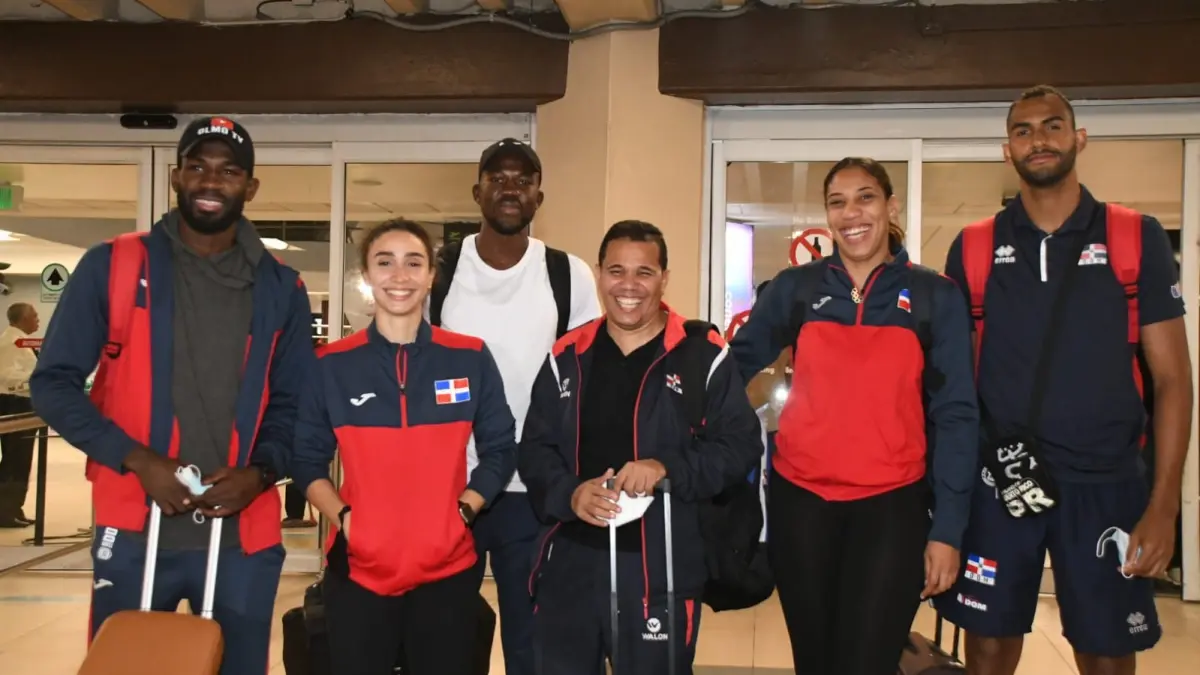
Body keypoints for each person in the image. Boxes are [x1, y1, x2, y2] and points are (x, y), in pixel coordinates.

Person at [30, 116, 314, 675]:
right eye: (198, 167)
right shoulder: (112, 265)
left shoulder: (281, 286)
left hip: (244, 534)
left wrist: (259, 474)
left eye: (229, 171)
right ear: (177, 178)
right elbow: (53, 383)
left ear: (250, 187)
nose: (211, 182)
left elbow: (294, 403)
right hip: (135, 524)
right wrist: (138, 460)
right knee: (130, 665)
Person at [932, 85, 1193, 675]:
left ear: (1079, 139)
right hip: (1000, 484)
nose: (1039, 139)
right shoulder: (973, 247)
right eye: (1023, 131)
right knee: (990, 646)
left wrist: (1164, 507)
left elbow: (1174, 379)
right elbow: (951, 386)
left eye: (1053, 126)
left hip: (1106, 486)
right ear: (1007, 150)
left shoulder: (1134, 237)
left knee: (1104, 652)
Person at [728, 158, 980, 675]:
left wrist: (948, 529)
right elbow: (729, 370)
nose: (851, 213)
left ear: (890, 207)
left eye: (865, 197)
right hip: (802, 506)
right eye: (837, 202)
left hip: (892, 509)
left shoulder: (936, 296)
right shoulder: (795, 289)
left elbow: (957, 414)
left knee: (868, 660)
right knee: (815, 662)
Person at [519, 220, 763, 675]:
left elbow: (740, 446)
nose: (628, 286)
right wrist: (570, 493)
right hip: (572, 560)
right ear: (599, 273)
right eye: (616, 271)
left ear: (664, 278)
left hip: (660, 568)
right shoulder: (567, 356)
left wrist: (665, 467)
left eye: (644, 272)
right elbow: (534, 449)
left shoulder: (702, 356)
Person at [290, 218, 518, 675]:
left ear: (431, 275)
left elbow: (501, 448)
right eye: (385, 262)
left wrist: (465, 511)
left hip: (448, 570)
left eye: (414, 263)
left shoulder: (469, 356)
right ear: (367, 276)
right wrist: (347, 519)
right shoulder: (332, 365)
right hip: (359, 572)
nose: (400, 276)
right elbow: (305, 459)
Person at [428, 137, 601, 675]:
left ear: (538, 196)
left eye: (522, 180)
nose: (510, 188)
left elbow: (587, 375)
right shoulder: (442, 269)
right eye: (498, 178)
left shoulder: (566, 274)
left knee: (532, 643)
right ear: (477, 190)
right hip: (451, 487)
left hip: (533, 491)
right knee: (446, 641)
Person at [0, 302, 39, 527]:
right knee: (15, 460)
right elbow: (6, 375)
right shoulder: (11, 341)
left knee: (20, 460)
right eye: (34, 316)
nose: (38, 320)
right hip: (14, 404)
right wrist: (34, 379)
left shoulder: (20, 341)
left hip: (21, 402)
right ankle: (6, 512)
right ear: (22, 319)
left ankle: (14, 508)